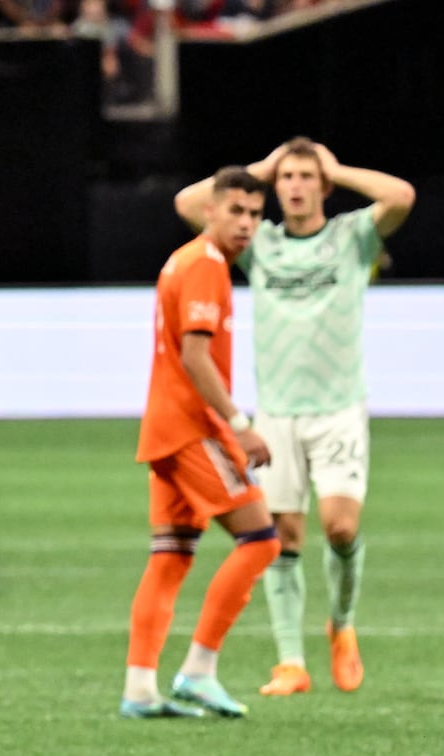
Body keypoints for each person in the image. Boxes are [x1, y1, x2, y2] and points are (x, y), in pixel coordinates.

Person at [173, 139, 415, 696]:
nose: (296, 185)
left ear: (323, 184)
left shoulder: (351, 238)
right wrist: (260, 169)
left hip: (338, 410)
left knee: (341, 527)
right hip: (277, 413)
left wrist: (338, 167)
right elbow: (190, 204)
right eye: (288, 178)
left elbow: (401, 196)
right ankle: (291, 662)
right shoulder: (261, 244)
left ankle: (342, 622)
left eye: (307, 176)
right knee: (284, 536)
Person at [121, 165, 281, 720]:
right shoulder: (206, 266)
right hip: (193, 428)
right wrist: (239, 422)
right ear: (209, 209)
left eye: (256, 215)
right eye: (236, 210)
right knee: (262, 538)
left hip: (164, 428)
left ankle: (140, 688)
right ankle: (199, 670)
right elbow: (194, 355)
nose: (246, 223)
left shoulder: (186, 261)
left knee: (170, 558)